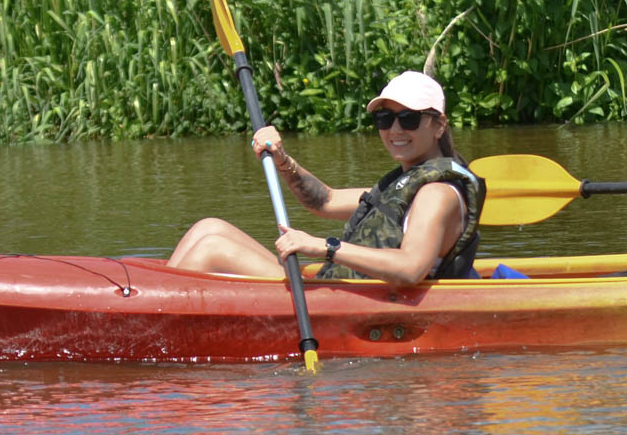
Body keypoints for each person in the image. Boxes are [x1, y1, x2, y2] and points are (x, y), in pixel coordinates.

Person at [167, 71, 485, 285]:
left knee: (211, 249)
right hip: (342, 290)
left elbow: (411, 268)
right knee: (209, 228)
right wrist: (282, 160)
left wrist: (325, 247)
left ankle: (151, 317)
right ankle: (150, 304)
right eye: (385, 118)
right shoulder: (402, 184)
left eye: (409, 118)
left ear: (439, 125)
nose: (395, 130)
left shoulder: (437, 194)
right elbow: (326, 201)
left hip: (366, 305)